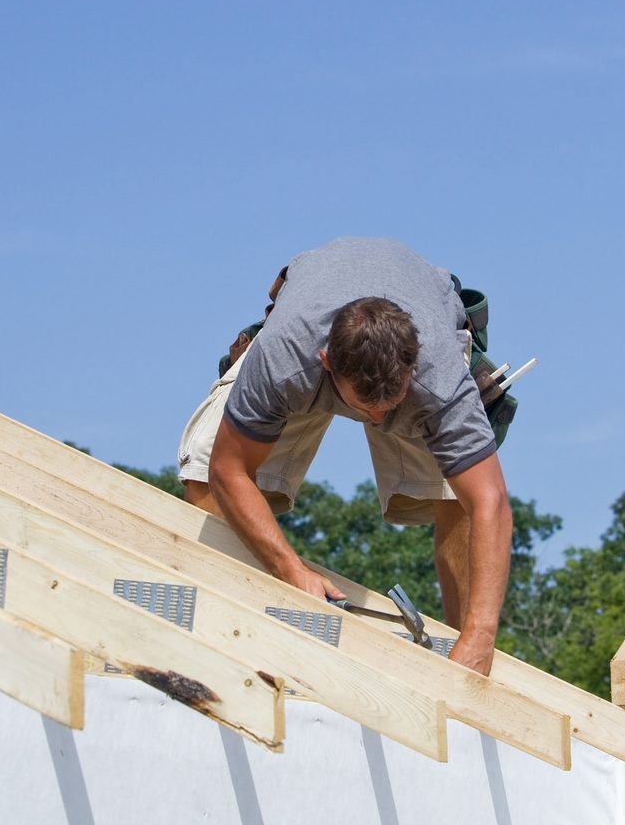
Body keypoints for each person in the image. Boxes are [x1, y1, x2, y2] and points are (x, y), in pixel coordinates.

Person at [177, 236, 513, 675]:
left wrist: (480, 637)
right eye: (364, 405)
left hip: (424, 322)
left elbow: (491, 503)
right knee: (203, 466)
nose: (375, 418)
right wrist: (290, 570)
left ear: (412, 367)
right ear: (327, 361)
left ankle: (467, 655)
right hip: (307, 341)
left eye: (387, 403)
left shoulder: (440, 377)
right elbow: (227, 469)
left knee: (459, 494)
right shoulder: (284, 357)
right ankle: (231, 630)